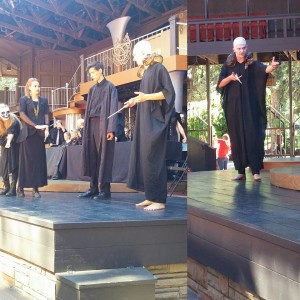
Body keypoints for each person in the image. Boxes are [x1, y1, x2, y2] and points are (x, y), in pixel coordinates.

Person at [217, 37, 279, 181]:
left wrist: (272, 66)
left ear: (246, 48)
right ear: (233, 49)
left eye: (244, 48)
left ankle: (255, 171)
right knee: (237, 138)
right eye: (238, 48)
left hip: (250, 109)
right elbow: (220, 84)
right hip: (234, 109)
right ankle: (240, 171)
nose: (241, 51)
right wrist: (230, 78)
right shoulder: (228, 65)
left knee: (253, 136)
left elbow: (265, 70)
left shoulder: (252, 63)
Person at [125, 40, 175, 211]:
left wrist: (144, 97)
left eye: (134, 54)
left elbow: (168, 93)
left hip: (154, 121)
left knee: (154, 158)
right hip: (144, 120)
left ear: (143, 53)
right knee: (145, 157)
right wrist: (135, 100)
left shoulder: (159, 69)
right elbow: (145, 96)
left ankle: (159, 200)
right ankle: (150, 196)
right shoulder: (146, 72)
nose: (133, 58)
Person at [78, 61, 118, 200]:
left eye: (93, 72)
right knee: (92, 155)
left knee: (104, 156)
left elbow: (113, 108)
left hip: (104, 125)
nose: (92, 75)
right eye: (90, 73)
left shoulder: (110, 87)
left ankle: (105, 190)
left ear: (100, 70)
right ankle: (93, 188)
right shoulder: (91, 89)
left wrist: (111, 129)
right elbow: (88, 109)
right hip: (92, 124)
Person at [17, 78, 49, 197]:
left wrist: (46, 127)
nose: (38, 88)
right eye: (35, 86)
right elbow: (22, 114)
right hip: (27, 135)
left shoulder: (44, 100)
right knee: (25, 162)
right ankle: (20, 187)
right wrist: (35, 125)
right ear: (29, 88)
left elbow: (46, 114)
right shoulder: (24, 99)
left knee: (37, 162)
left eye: (38, 86)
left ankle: (35, 188)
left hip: (39, 136)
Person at [0, 104, 21, 196]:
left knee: (14, 165)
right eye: (3, 113)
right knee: (4, 166)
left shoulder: (14, 120)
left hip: (15, 145)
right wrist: (6, 142)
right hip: (4, 145)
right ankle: (6, 186)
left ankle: (13, 189)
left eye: (7, 112)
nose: (6, 114)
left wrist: (9, 140)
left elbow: (12, 131)